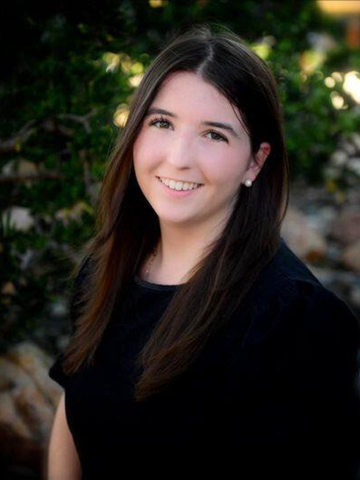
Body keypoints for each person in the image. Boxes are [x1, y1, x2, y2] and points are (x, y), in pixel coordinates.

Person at [46, 24, 360, 479]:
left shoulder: (295, 319)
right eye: (162, 122)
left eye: (214, 134)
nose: (178, 157)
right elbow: (73, 402)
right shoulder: (106, 270)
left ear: (256, 160)